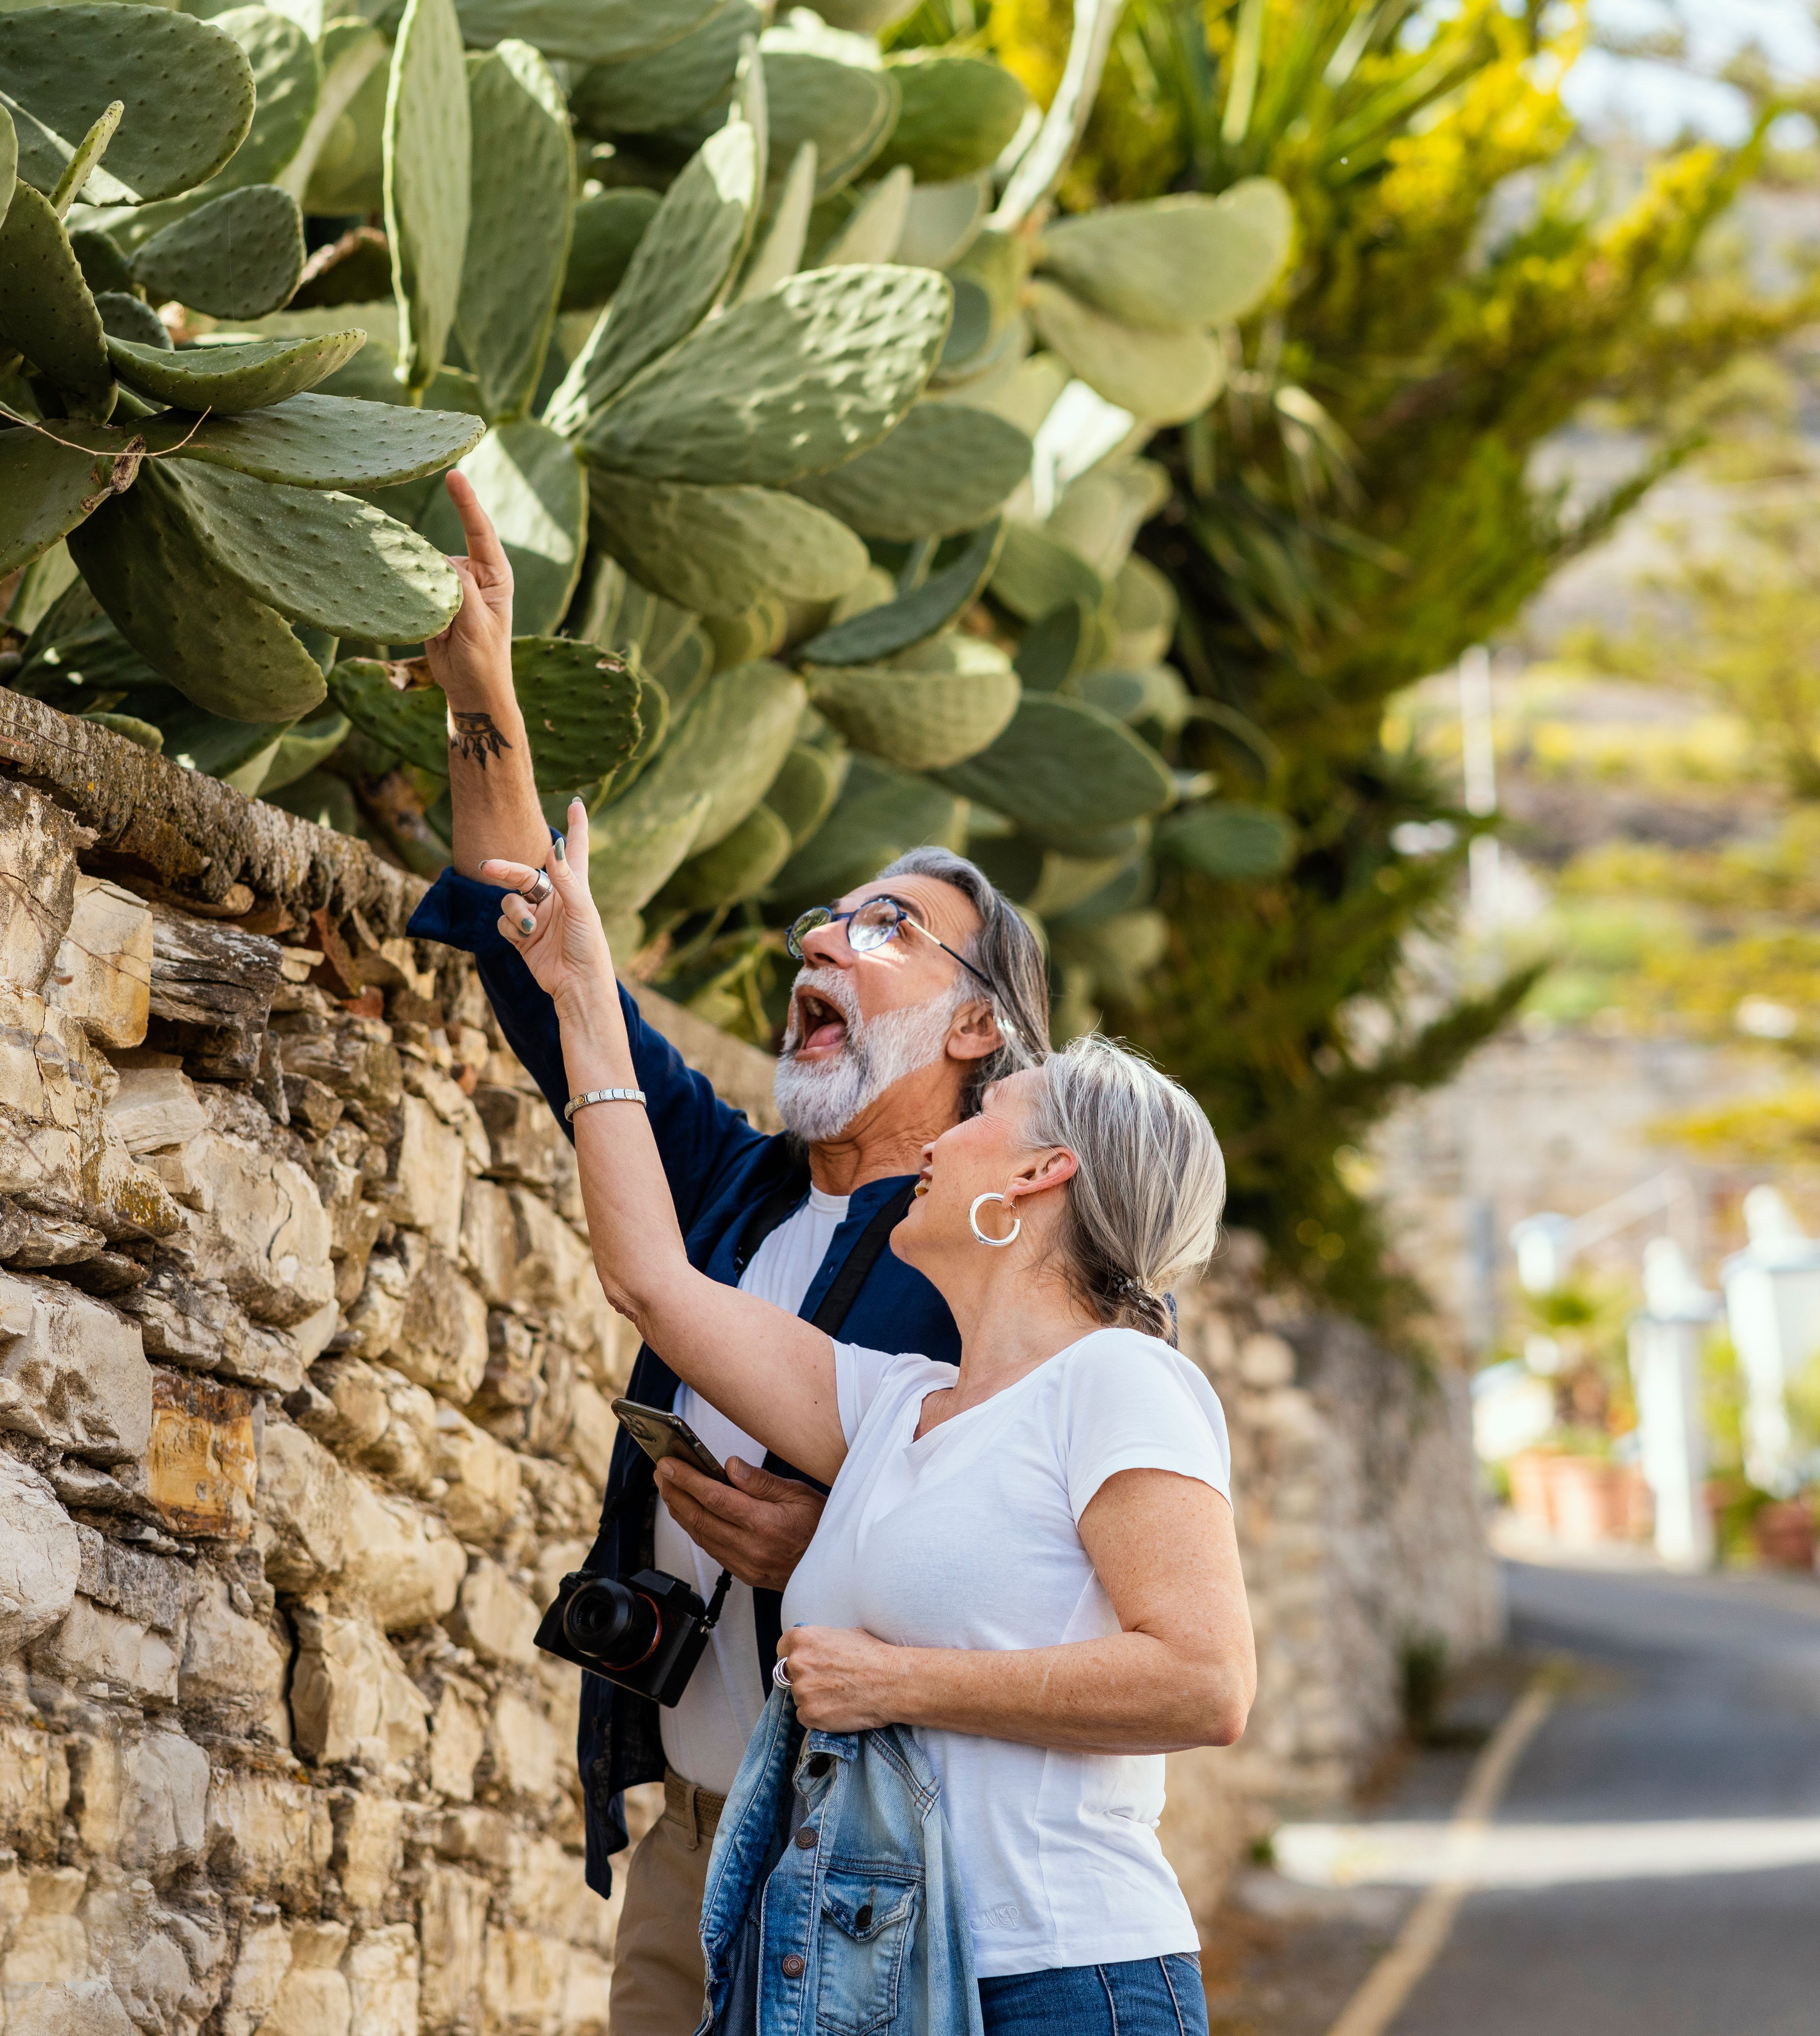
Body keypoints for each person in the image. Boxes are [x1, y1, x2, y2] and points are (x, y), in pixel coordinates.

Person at [400, 472, 1054, 2035]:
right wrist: (484, 686)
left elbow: (1048, 1561)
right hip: (690, 1836)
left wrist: (822, 1543)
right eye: (827, 916)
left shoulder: (1005, 1264)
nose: (821, 938)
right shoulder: (732, 1187)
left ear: (979, 1026)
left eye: (885, 929)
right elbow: (533, 943)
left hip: (870, 1854)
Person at [482, 800, 1256, 2036]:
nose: (960, 1128)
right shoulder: (899, 1411)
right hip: (878, 1963)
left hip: (1069, 1979)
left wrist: (902, 1680)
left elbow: (1207, 1682)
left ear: (1036, 1176)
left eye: (996, 1113)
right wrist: (582, 990)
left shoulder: (1123, 1383)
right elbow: (651, 1283)